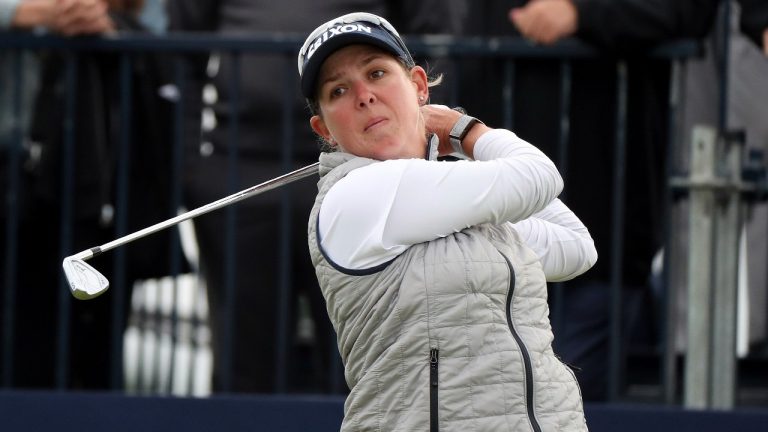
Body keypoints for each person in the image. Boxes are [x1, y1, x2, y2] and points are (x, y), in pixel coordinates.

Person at [300, 12, 597, 430]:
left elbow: (575, 245)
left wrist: (459, 150)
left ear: (419, 86)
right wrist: (469, 133)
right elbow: (539, 177)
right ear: (324, 129)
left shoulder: (451, 198)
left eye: (377, 72)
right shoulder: (356, 195)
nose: (364, 95)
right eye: (339, 90)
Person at [465, 0, 767, 401]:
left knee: (563, 398)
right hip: (493, 236)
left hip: (604, 232)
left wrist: (581, 14)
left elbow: (686, 13)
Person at [166, 0, 464, 394]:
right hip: (240, 170)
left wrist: (414, 150)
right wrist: (193, 166)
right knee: (244, 363)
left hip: (366, 173)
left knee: (364, 363)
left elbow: (435, 37)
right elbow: (181, 51)